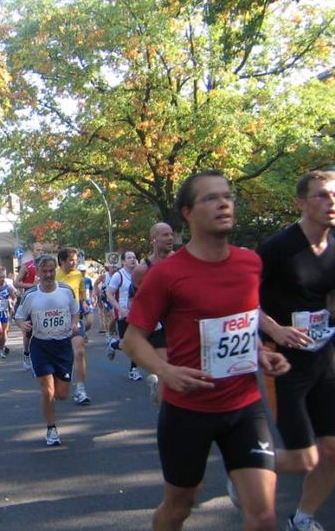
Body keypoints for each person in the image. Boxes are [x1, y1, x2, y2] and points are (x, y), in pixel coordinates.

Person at [121, 169, 289, 531]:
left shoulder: (250, 263)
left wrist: (259, 351)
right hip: (187, 413)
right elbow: (132, 339)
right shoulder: (167, 274)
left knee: (263, 516)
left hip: (244, 407)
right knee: (179, 509)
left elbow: (240, 319)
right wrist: (165, 371)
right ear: (188, 212)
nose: (224, 203)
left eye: (227, 196)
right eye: (211, 198)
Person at [256, 168, 335, 531]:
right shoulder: (278, 248)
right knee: (304, 457)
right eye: (322, 195)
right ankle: (247, 470)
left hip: (323, 357)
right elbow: (241, 296)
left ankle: (302, 519)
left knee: (332, 451)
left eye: (334, 194)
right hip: (283, 362)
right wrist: (275, 328)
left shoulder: (334, 247)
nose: (331, 202)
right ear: (301, 203)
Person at [14, 254, 80, 446]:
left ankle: (54, 414)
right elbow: (19, 317)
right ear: (38, 272)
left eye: (51, 270)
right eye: (45, 271)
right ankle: (51, 429)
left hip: (63, 346)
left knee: (62, 394)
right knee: (48, 391)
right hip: (41, 346)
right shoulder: (31, 295)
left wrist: (75, 324)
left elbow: (75, 312)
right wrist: (22, 325)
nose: (49, 274)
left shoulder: (66, 291)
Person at [131, 222, 175, 404]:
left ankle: (160, 391)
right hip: (156, 326)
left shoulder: (180, 261)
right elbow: (136, 302)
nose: (170, 238)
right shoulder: (141, 270)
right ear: (154, 240)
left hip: (177, 324)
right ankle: (165, 417)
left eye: (171, 234)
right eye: (165, 235)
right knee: (166, 369)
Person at [56, 248, 92, 405]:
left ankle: (80, 389)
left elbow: (82, 292)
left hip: (74, 318)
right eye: (71, 259)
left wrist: (84, 303)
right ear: (62, 261)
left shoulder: (78, 275)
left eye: (76, 259)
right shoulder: (53, 274)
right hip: (56, 320)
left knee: (79, 351)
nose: (74, 262)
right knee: (60, 355)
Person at [106, 250, 144, 381]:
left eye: (134, 257)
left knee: (137, 342)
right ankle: (113, 345)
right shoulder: (118, 276)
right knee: (126, 344)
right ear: (123, 261)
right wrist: (120, 309)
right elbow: (109, 294)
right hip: (123, 314)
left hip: (137, 313)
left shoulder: (139, 274)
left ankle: (133, 369)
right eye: (129, 258)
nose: (132, 260)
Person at [15, 241, 45, 369]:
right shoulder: (26, 266)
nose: (40, 252)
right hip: (29, 300)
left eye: (42, 250)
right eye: (37, 250)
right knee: (28, 331)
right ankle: (26, 354)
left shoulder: (46, 266)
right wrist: (31, 285)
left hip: (43, 300)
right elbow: (16, 283)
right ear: (33, 252)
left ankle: (41, 356)